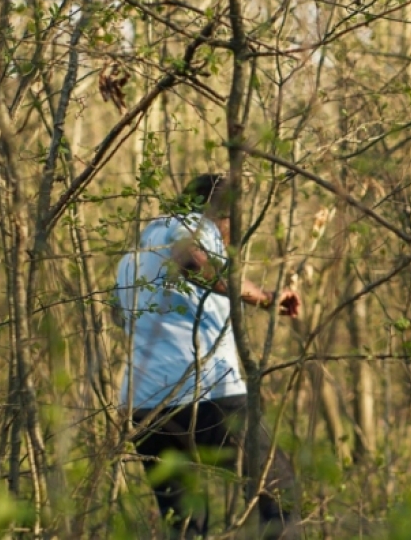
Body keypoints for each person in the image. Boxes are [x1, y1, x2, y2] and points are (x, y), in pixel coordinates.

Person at [114, 173, 301, 539]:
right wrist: (265, 298)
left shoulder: (131, 259)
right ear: (221, 214)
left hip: (145, 404)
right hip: (207, 392)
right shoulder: (188, 228)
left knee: (183, 523)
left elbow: (123, 318)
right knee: (278, 485)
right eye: (235, 222)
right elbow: (192, 260)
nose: (234, 234)